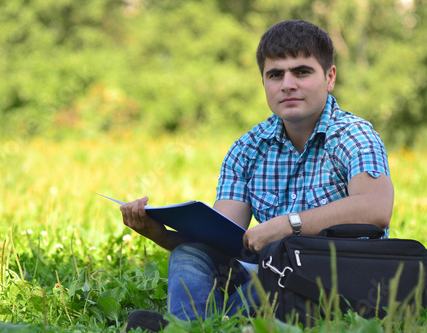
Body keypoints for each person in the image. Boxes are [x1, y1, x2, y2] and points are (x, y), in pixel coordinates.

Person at [121, 20, 394, 331]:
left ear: (330, 77)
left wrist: (288, 225)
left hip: (341, 277)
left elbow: (375, 209)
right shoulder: (248, 148)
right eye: (275, 75)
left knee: (279, 273)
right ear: (263, 82)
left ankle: (195, 326)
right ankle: (204, 326)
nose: (287, 84)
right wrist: (157, 232)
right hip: (268, 272)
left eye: (301, 72)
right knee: (191, 253)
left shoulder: (354, 135)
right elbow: (220, 241)